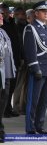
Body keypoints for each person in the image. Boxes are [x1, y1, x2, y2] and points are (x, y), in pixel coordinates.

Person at [23, 1, 47, 134]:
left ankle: (39, 125)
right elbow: (30, 50)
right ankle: (30, 126)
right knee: (34, 99)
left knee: (44, 101)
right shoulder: (30, 28)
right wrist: (34, 67)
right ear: (36, 13)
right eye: (43, 11)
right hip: (38, 69)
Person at [0, 3, 20, 118]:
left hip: (7, 70)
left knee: (5, 95)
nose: (3, 16)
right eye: (1, 14)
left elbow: (13, 47)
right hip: (1, 71)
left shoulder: (4, 31)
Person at [0, 8, 16, 142]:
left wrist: (11, 71)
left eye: (1, 14)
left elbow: (8, 54)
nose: (1, 16)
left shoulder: (3, 32)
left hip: (5, 75)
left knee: (3, 101)